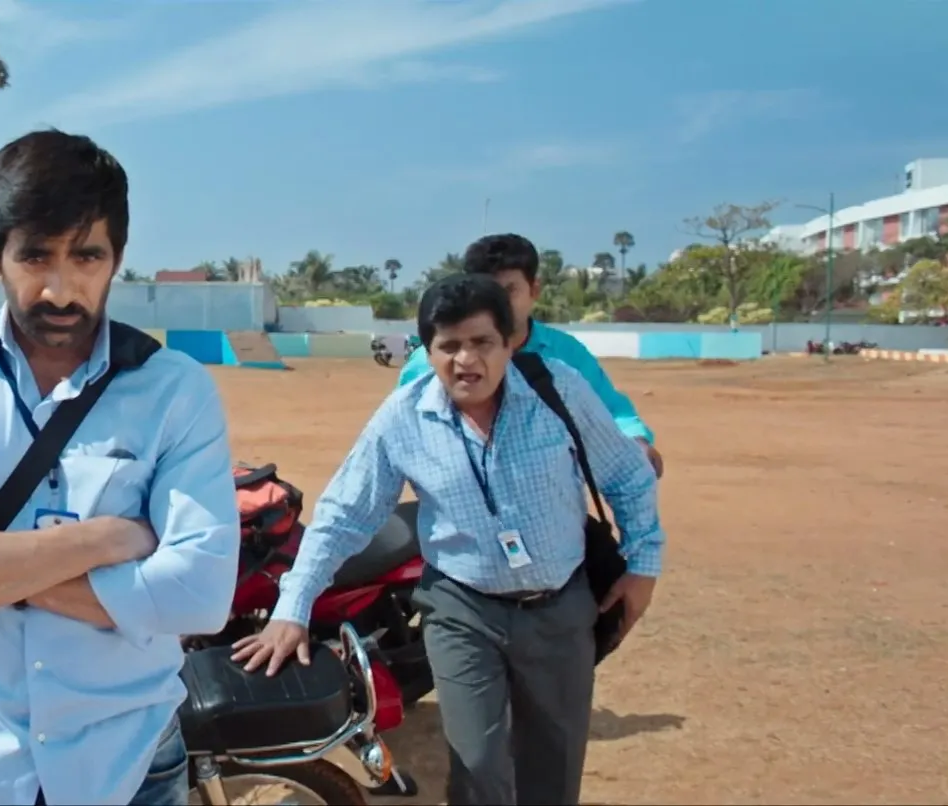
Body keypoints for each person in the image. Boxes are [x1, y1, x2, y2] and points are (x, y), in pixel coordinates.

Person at [0, 129, 240, 806]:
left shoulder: (175, 390)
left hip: (129, 762)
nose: (60, 289)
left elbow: (199, 596)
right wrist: (103, 540)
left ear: (117, 256)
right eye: (35, 255)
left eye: (87, 255)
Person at [232, 274, 665, 805]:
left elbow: (628, 476)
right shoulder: (404, 418)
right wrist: (293, 607)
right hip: (462, 609)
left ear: (509, 343)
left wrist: (643, 567)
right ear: (427, 351)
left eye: (482, 342)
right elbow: (344, 516)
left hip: (559, 606)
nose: (466, 360)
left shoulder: (559, 391)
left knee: (553, 763)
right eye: (449, 345)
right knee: (476, 764)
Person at [395, 234, 665, 478]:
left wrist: (637, 442)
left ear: (534, 290)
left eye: (509, 291)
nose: (498, 304)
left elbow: (611, 411)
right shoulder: (427, 362)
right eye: (489, 292)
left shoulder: (566, 355)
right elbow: (400, 430)